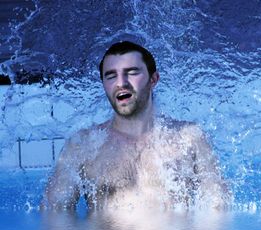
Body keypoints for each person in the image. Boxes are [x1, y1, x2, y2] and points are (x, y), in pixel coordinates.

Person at [43, 41, 230, 210]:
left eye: (132, 73)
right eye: (111, 76)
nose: (121, 83)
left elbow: (218, 210)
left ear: (153, 79)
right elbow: (55, 214)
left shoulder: (189, 138)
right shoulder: (83, 145)